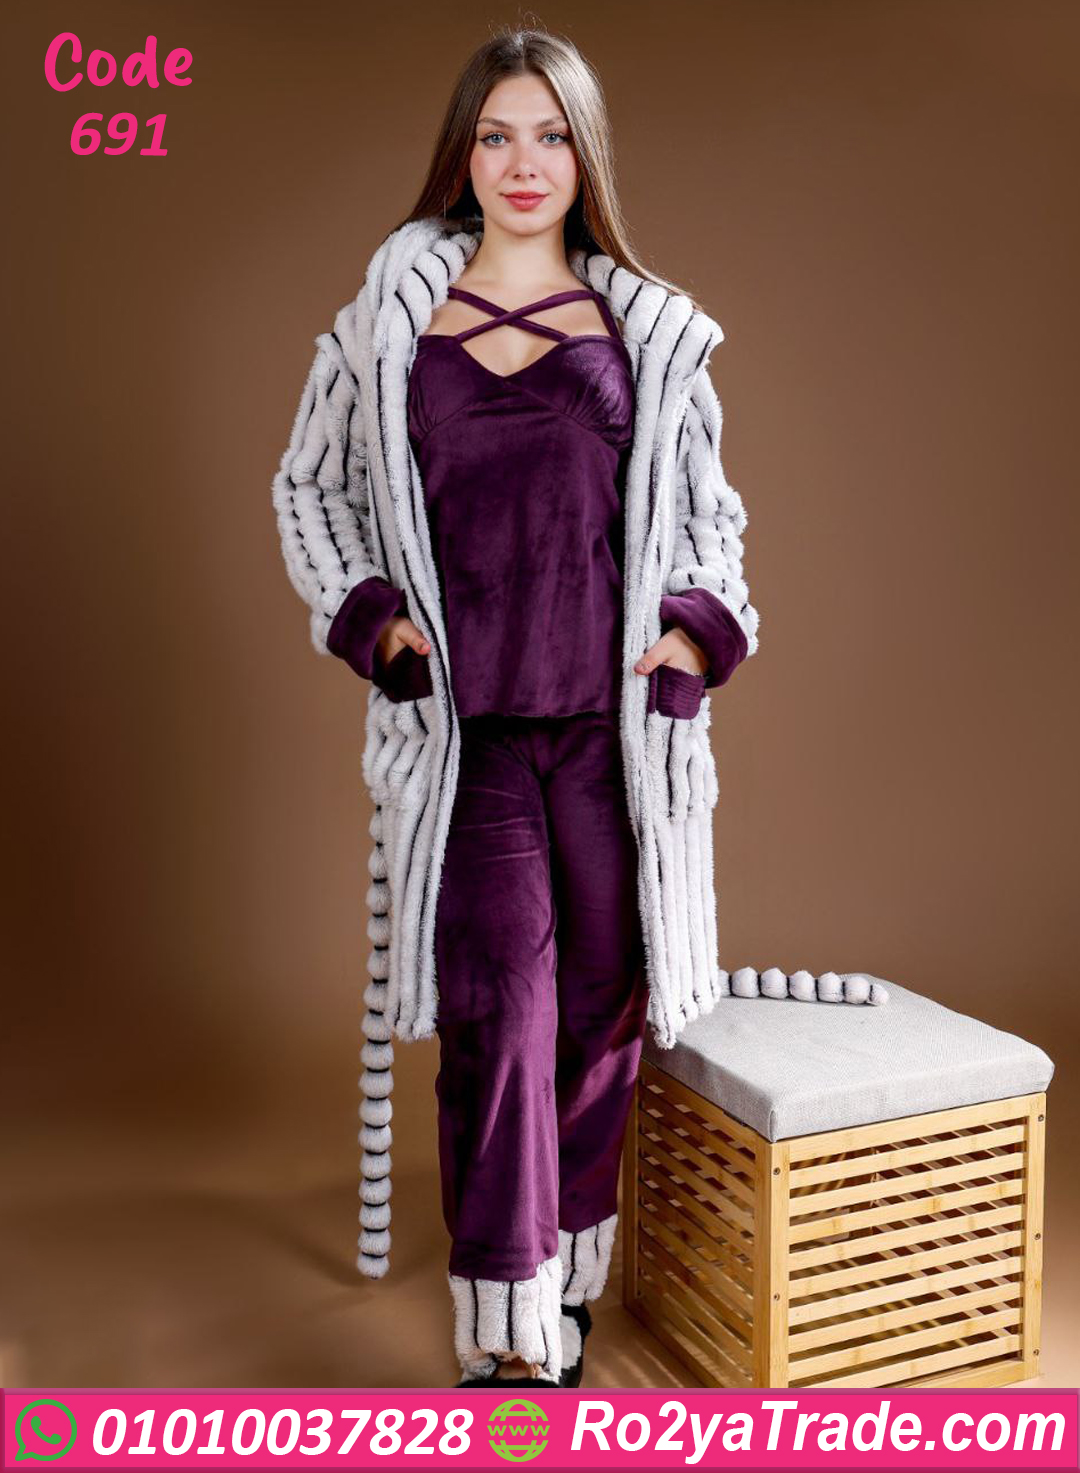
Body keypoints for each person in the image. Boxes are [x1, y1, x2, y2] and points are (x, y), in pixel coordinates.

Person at [272, 24, 881, 1391]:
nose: (523, 162)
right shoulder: (384, 326)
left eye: (550, 134)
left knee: (603, 1002)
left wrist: (693, 635)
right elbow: (309, 487)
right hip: (466, 735)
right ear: (462, 154)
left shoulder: (648, 332)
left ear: (584, 154)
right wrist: (374, 618)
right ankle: (507, 1321)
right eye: (496, 134)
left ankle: (566, 1264)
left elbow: (712, 519)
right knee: (501, 1005)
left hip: (617, 739)